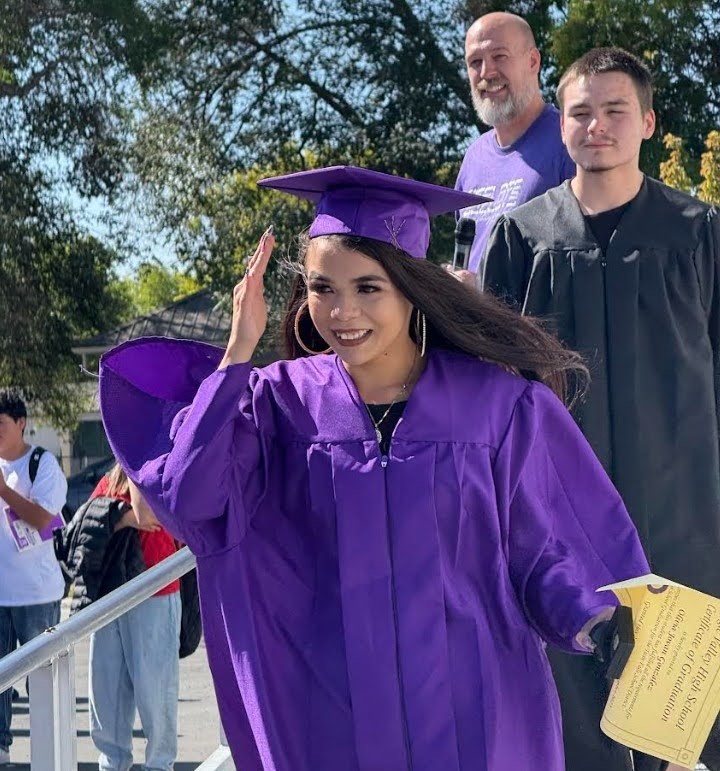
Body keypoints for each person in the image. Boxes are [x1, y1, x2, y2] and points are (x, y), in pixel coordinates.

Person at [98, 165, 649, 771]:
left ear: (410, 288)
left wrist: (598, 620)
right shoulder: (276, 406)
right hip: (333, 722)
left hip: (477, 717)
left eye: (368, 287)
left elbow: (548, 550)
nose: (342, 312)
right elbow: (188, 499)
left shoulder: (497, 408)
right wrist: (237, 353)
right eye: (322, 288)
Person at [481, 47, 720, 771]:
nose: (597, 126)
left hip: (684, 506)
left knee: (680, 723)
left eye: (616, 110)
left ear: (647, 121)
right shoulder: (524, 237)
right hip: (557, 511)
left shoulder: (699, 231)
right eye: (581, 112)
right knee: (571, 707)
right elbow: (494, 388)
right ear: (562, 125)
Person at [72, 463, 182, 771]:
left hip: (155, 591)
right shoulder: (111, 478)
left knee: (155, 694)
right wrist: (121, 518)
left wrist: (121, 515)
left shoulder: (154, 469)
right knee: (107, 696)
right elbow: (89, 521)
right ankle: (113, 764)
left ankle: (159, 766)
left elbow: (145, 514)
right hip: (112, 595)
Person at [453, 11, 575, 279]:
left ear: (533, 61)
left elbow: (586, 263)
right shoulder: (474, 157)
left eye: (499, 56)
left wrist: (483, 290)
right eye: (475, 62)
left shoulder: (570, 141)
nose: (486, 72)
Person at [0, 390, 67, 766]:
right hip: (1, 595)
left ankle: (49, 753)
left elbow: (43, 519)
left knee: (42, 679)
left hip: (37, 595)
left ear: (21, 423)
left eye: (0, 424)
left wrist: (4, 490)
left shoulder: (43, 464)